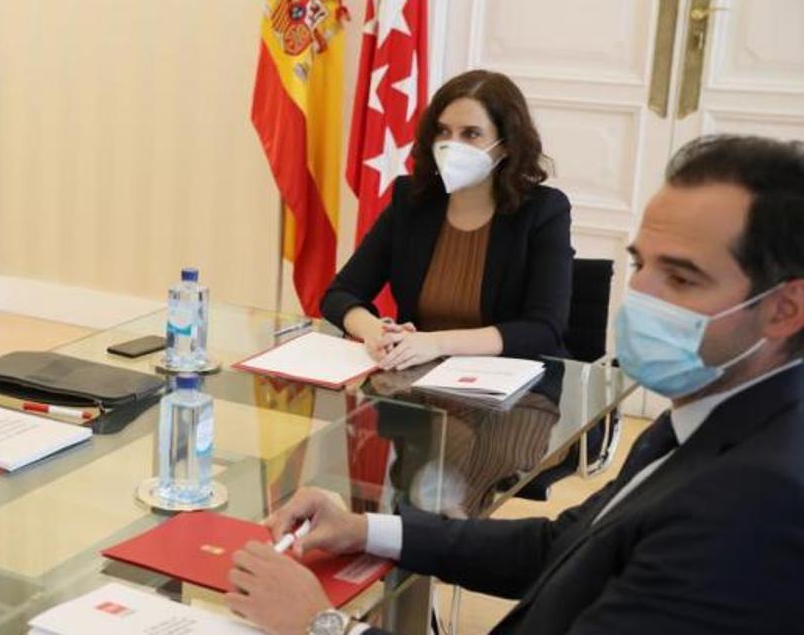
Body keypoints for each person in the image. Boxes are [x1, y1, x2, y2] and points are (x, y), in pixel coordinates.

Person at [226, 135, 804, 634]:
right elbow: (562, 548)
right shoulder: (709, 418)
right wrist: (365, 528)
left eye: (680, 277)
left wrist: (319, 624)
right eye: (641, 264)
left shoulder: (756, 501)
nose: (642, 295)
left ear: (784, 309)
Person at [322, 70, 573, 371]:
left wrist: (437, 343)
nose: (452, 144)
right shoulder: (412, 200)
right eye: (443, 131)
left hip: (511, 387)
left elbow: (543, 329)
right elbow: (340, 294)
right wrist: (374, 331)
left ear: (506, 144)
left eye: (471, 133)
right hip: (418, 382)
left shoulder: (544, 210)